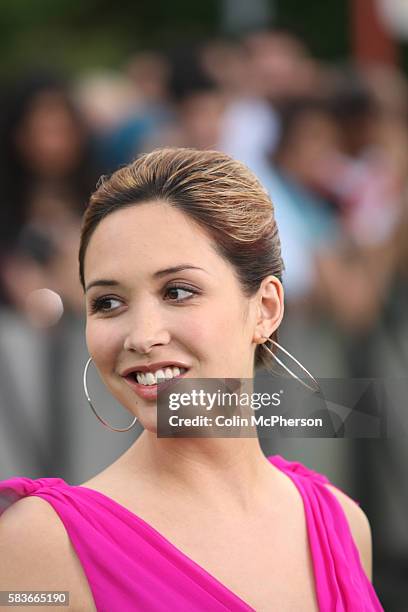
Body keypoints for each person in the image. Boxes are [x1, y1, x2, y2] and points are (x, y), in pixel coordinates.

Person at [0, 148, 383, 611]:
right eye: (108, 303)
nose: (142, 336)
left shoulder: (343, 524)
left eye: (178, 292)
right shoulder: (40, 545)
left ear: (265, 308)